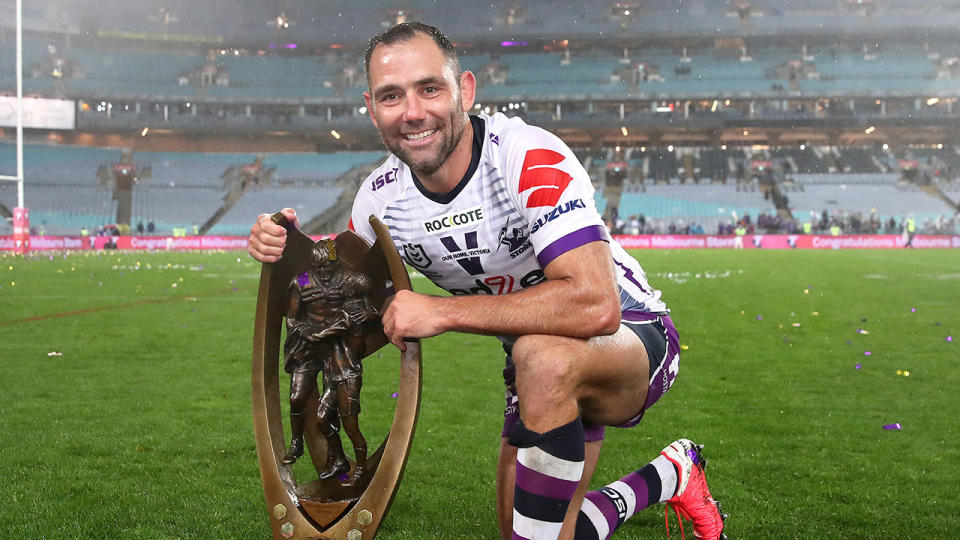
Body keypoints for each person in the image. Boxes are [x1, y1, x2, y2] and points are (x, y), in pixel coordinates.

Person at [248, 22, 725, 540]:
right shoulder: (379, 201)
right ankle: (671, 474)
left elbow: (595, 306)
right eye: (392, 96)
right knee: (531, 526)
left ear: (466, 91)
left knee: (542, 359)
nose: (412, 112)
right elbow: (351, 320)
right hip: (534, 364)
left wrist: (443, 311)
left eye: (430, 88)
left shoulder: (525, 154)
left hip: (631, 335)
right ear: (371, 107)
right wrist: (286, 254)